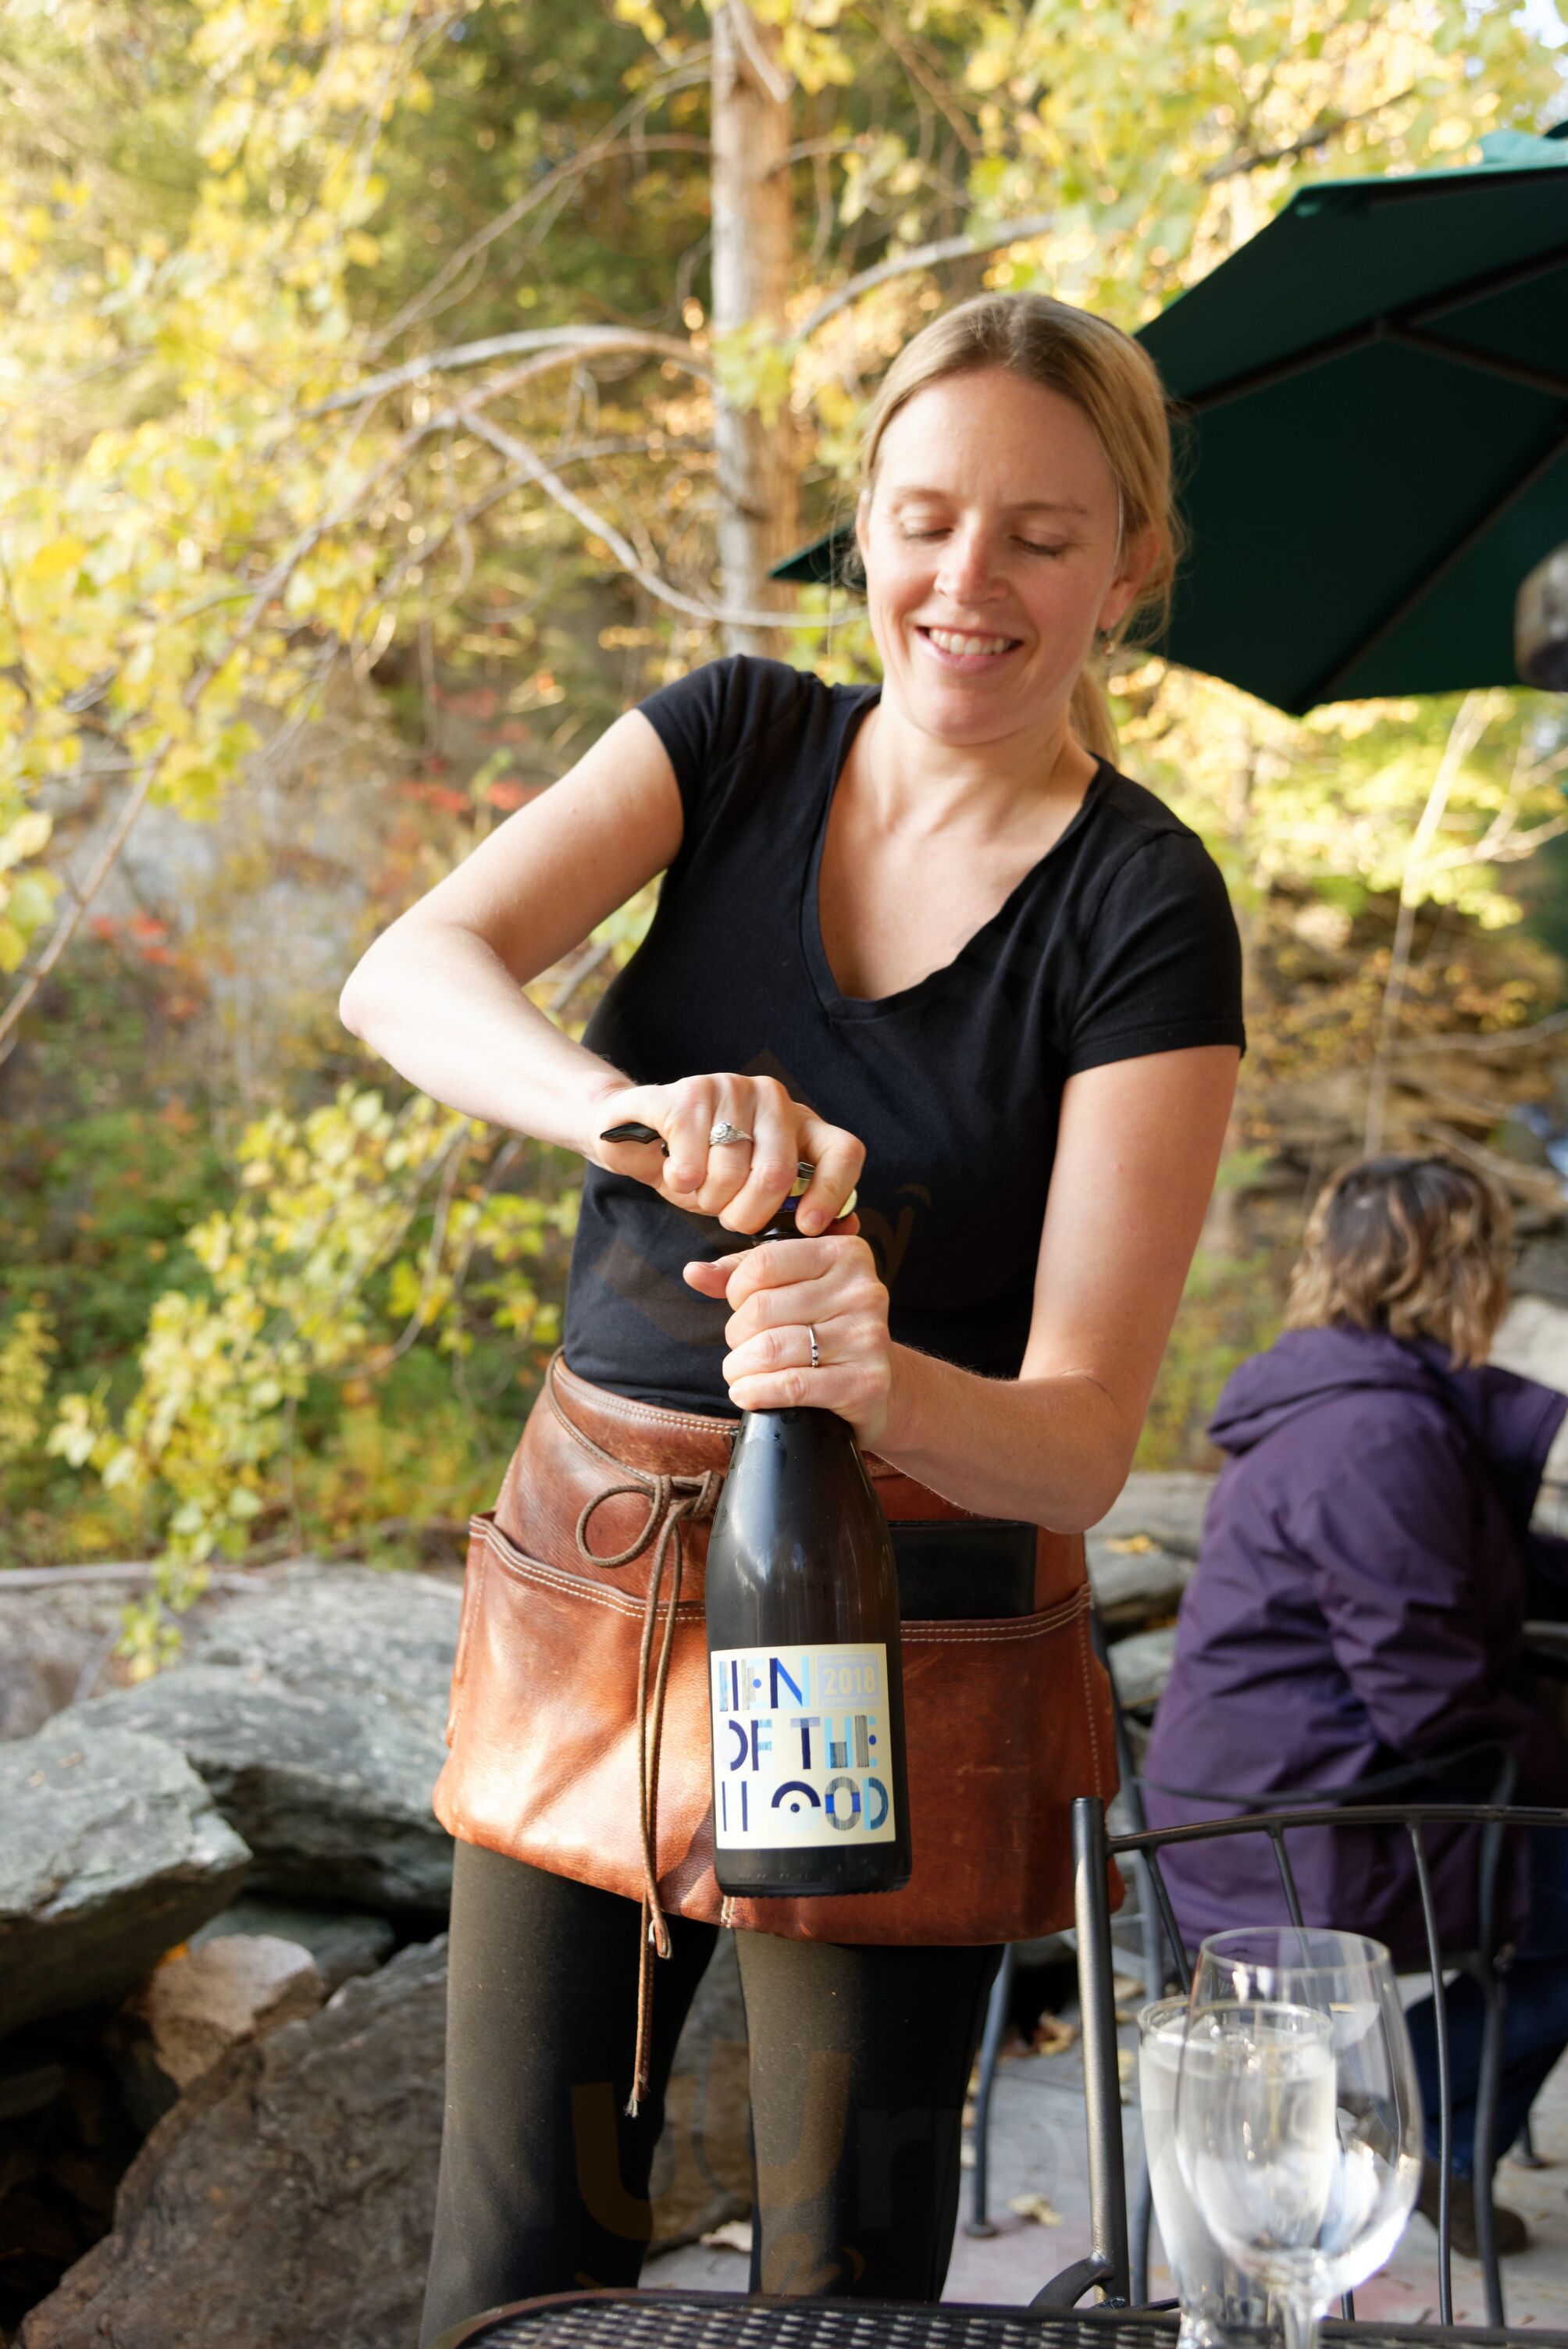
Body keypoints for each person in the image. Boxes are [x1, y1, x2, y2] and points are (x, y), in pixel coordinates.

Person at [338, 291, 1245, 2342]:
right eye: (926, 517)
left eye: (1041, 531)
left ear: (1132, 560)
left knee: (843, 2289)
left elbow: (1085, 1438)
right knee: (516, 2273)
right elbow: (408, 975)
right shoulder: (731, 734)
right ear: (865, 524)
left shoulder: (1143, 907)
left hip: (900, 1635)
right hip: (596, 1588)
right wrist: (628, 1107)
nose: (968, 582)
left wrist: (880, 1372)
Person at [1144, 1154, 1568, 2258]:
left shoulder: (1343, 1401)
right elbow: (1431, 1697)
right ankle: (1394, 2116)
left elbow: (1458, 1565)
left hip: (1268, 1806)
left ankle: (1426, 2128)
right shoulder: (1376, 1435)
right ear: (1462, 1269)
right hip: (1297, 1840)